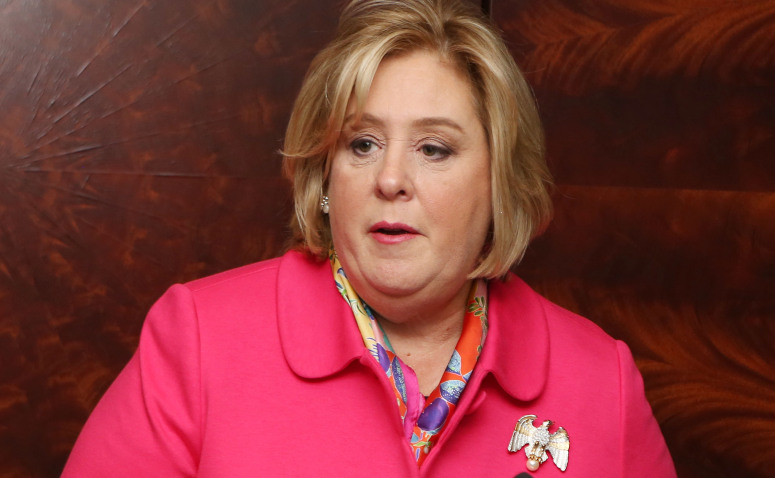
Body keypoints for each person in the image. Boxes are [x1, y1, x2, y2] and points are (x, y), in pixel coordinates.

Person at [63, 0, 676, 476]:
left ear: (500, 184)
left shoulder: (602, 382)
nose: (389, 179)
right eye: (362, 143)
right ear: (326, 175)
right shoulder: (196, 341)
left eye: (434, 148)